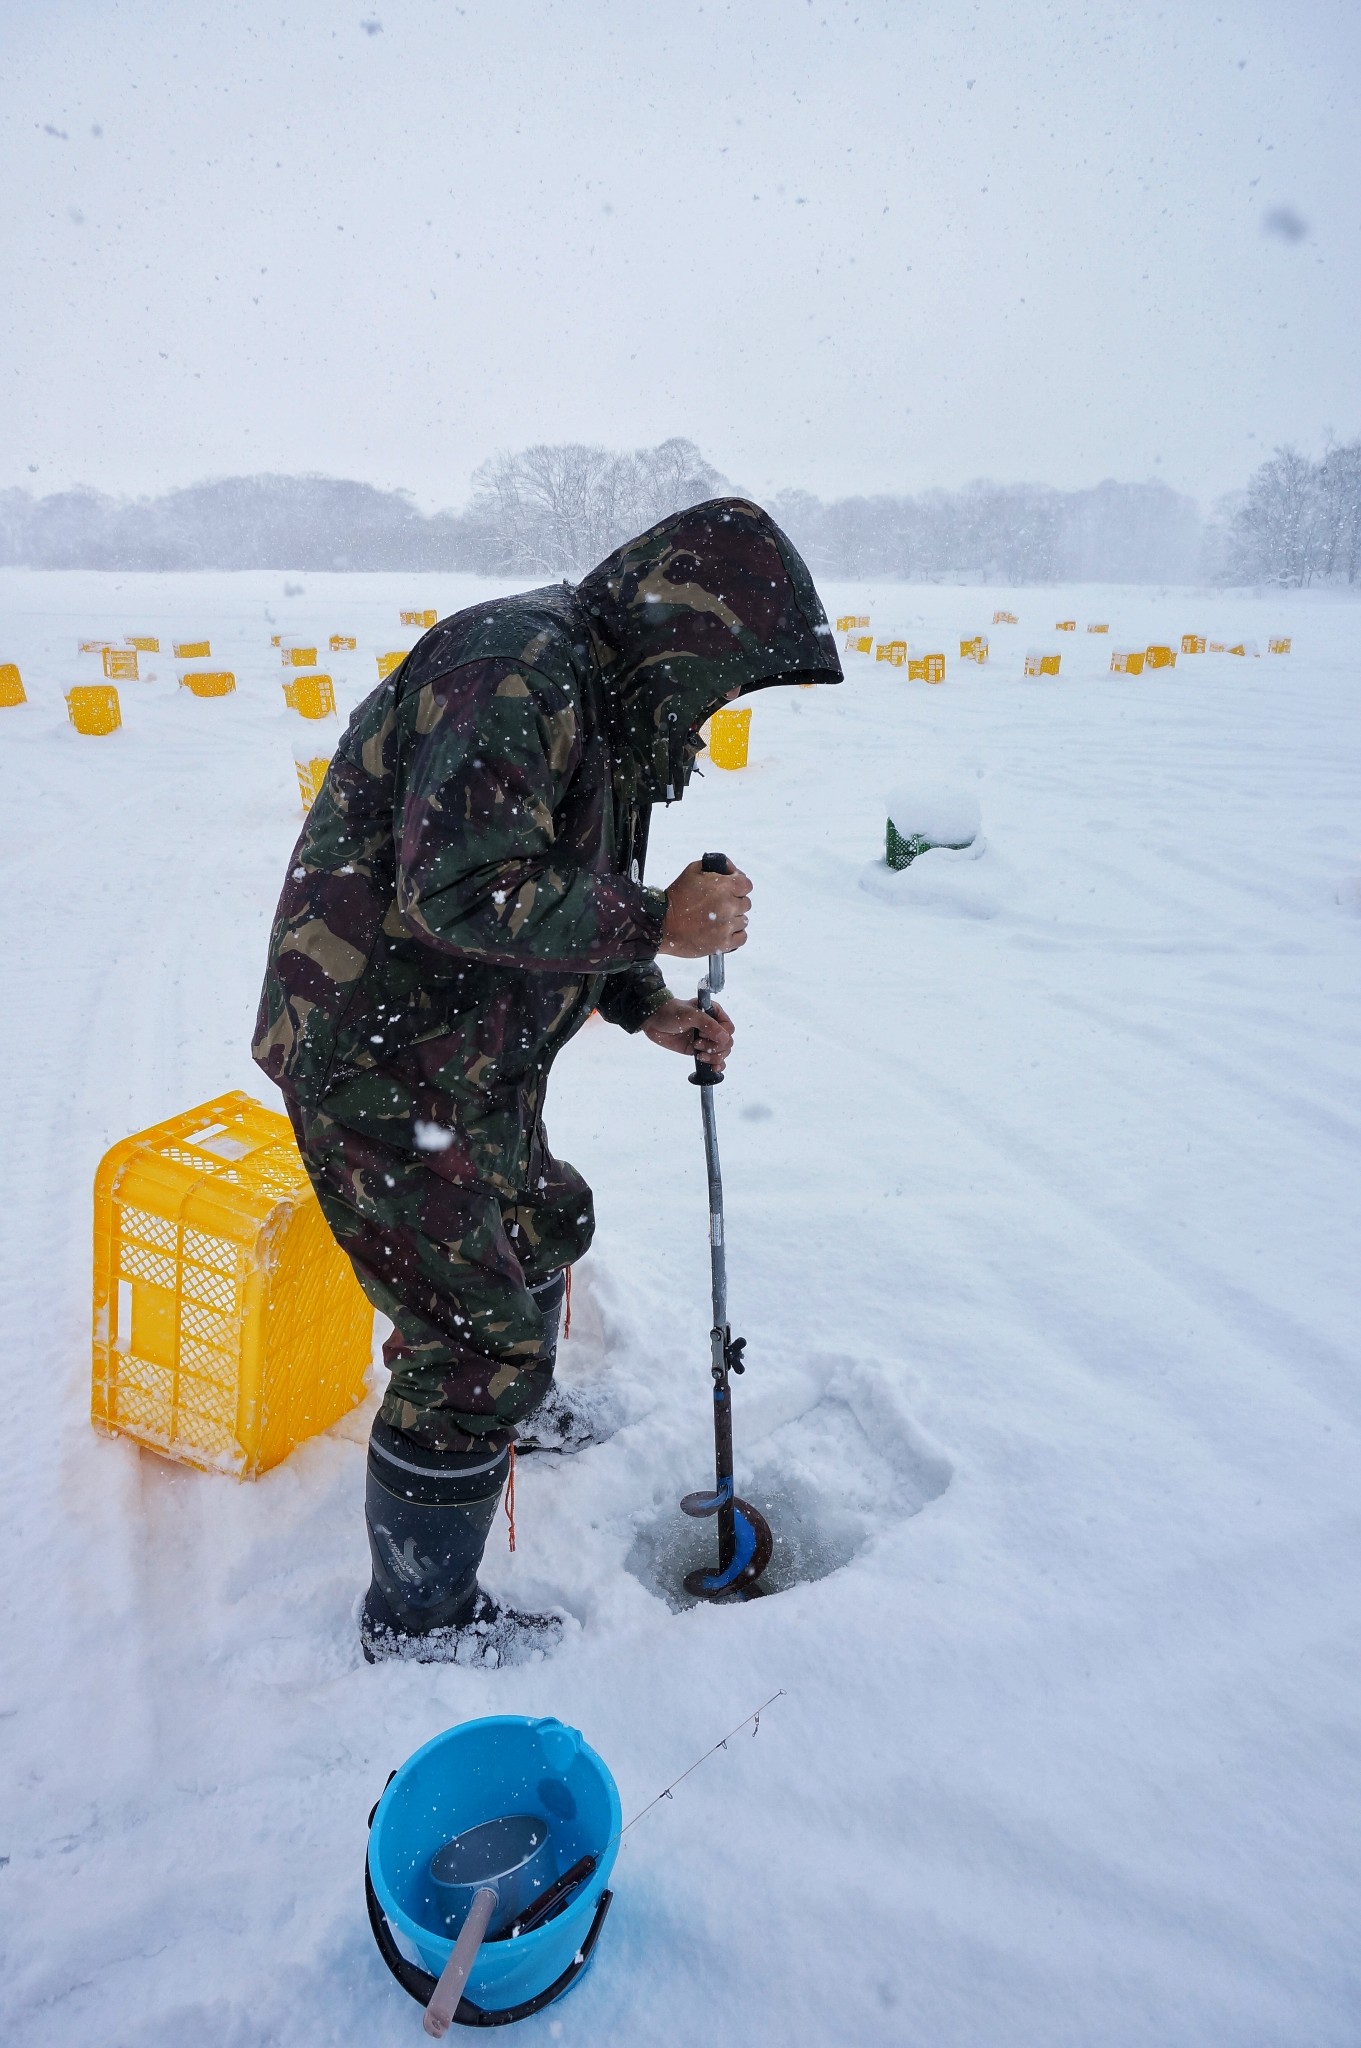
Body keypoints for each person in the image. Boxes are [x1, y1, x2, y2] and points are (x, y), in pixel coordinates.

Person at [252, 497, 842, 1663]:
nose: (712, 712)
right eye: (717, 682)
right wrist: (657, 918)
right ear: (682, 625)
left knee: (543, 1221)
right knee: (468, 1343)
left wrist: (646, 1002)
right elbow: (458, 888)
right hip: (381, 1057)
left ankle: (510, 1415)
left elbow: (547, 894)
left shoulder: (599, 697)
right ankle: (419, 1620)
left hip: (468, 1050)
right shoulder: (514, 664)